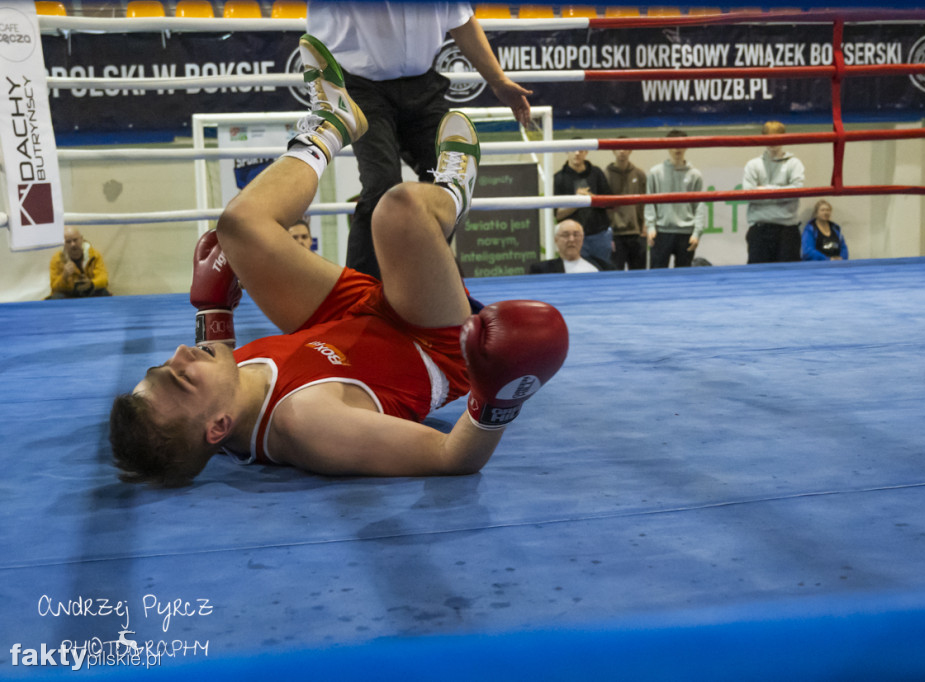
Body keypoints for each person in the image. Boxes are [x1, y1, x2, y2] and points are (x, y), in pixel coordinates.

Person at [109, 35, 567, 487]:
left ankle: (330, 122)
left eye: (164, 367)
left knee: (238, 229)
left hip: (342, 322)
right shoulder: (309, 425)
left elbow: (208, 373)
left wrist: (213, 309)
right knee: (399, 210)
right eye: (183, 379)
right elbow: (451, 457)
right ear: (218, 427)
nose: (181, 354)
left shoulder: (220, 407)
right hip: (428, 341)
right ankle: (451, 193)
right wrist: (499, 396)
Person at [306, 1, 533, 280]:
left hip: (422, 85)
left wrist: (498, 81)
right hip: (359, 86)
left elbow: (461, 21)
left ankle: (420, 278)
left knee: (452, 182)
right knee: (381, 185)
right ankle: (359, 294)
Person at [742, 121, 806, 264]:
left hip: (788, 230)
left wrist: (764, 190)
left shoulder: (794, 163)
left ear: (784, 137)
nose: (772, 141)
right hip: (759, 230)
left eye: (776, 137)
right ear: (762, 138)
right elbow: (748, 194)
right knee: (757, 277)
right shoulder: (753, 165)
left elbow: (796, 191)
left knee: (790, 278)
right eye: (769, 137)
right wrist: (782, 191)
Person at [644, 130, 707, 269]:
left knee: (684, 279)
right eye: (673, 144)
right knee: (657, 278)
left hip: (686, 233)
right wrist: (650, 227)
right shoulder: (655, 173)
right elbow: (649, 201)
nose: (677, 148)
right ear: (666, 146)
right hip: (661, 232)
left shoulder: (695, 175)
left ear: (687, 146)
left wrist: (697, 232)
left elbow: (700, 206)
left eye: (681, 144)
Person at [553, 147, 613, 263]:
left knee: (603, 274)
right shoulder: (559, 178)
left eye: (580, 150)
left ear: (586, 152)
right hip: (572, 239)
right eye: (573, 150)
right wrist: (577, 201)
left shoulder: (596, 173)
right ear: (567, 152)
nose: (577, 153)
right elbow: (558, 215)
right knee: (575, 275)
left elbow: (610, 203)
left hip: (599, 235)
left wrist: (591, 198)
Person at [605, 141, 647, 271]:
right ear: (613, 151)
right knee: (615, 276)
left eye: (625, 148)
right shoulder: (605, 174)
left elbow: (645, 202)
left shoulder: (639, 174)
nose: (622, 151)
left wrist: (644, 225)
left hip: (636, 232)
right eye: (618, 148)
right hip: (615, 233)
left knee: (639, 276)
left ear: (630, 151)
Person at [529, 219, 615, 274]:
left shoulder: (604, 267)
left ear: (582, 239)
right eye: (565, 235)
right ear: (556, 240)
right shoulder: (541, 270)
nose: (571, 239)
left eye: (576, 235)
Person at [47, 227, 112, 299]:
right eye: (68, 242)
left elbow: (103, 279)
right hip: (68, 294)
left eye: (75, 240)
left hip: (89, 292)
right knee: (56, 297)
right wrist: (64, 277)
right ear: (63, 244)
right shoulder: (57, 259)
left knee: (103, 293)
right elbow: (54, 287)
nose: (73, 244)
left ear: (81, 239)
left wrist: (91, 284)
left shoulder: (94, 255)